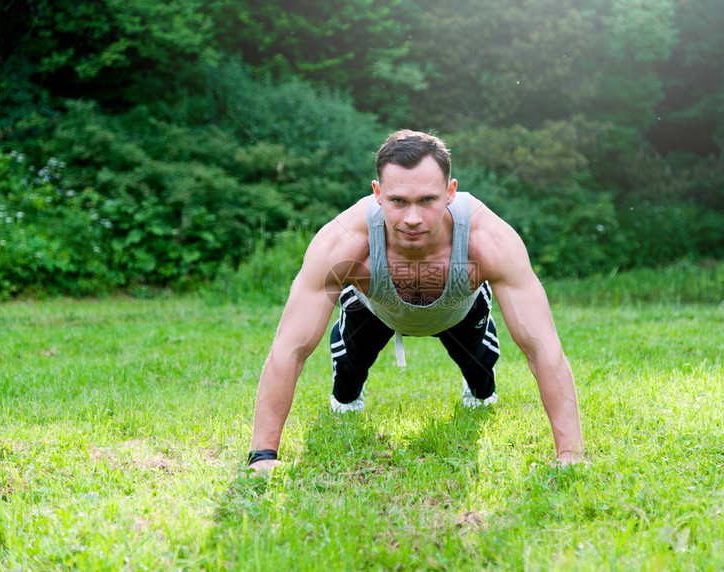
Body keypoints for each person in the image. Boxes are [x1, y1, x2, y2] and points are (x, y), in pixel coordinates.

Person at [247, 130, 585, 472]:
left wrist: (570, 457)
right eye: (398, 201)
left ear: (450, 193)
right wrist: (263, 457)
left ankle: (479, 368)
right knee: (345, 391)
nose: (412, 218)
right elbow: (290, 346)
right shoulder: (344, 242)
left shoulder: (488, 241)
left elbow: (542, 347)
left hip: (460, 308)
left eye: (427, 200)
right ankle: (346, 377)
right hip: (373, 306)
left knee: (482, 386)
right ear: (377, 194)